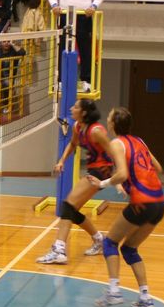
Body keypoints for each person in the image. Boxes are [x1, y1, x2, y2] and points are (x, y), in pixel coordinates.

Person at [90, 107, 163, 307]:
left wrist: (103, 183)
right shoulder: (140, 141)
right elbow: (157, 168)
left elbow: (121, 173)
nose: (107, 119)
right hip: (159, 203)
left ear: (113, 124)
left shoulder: (117, 143)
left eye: (109, 117)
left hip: (142, 202)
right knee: (129, 249)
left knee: (109, 242)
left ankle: (114, 291)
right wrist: (131, 182)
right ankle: (145, 297)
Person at [37, 99, 112, 265]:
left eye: (76, 107)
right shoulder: (78, 126)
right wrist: (61, 161)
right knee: (72, 211)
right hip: (93, 169)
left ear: (84, 112)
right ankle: (100, 240)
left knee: (67, 206)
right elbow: (72, 144)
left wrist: (118, 179)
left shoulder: (96, 131)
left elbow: (113, 152)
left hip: (101, 171)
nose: (71, 108)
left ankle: (59, 250)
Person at [48, 0, 103, 92]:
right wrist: (54, 5)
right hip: (65, 15)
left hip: (83, 16)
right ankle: (60, 80)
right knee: (62, 48)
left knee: (85, 49)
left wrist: (93, 6)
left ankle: (86, 81)